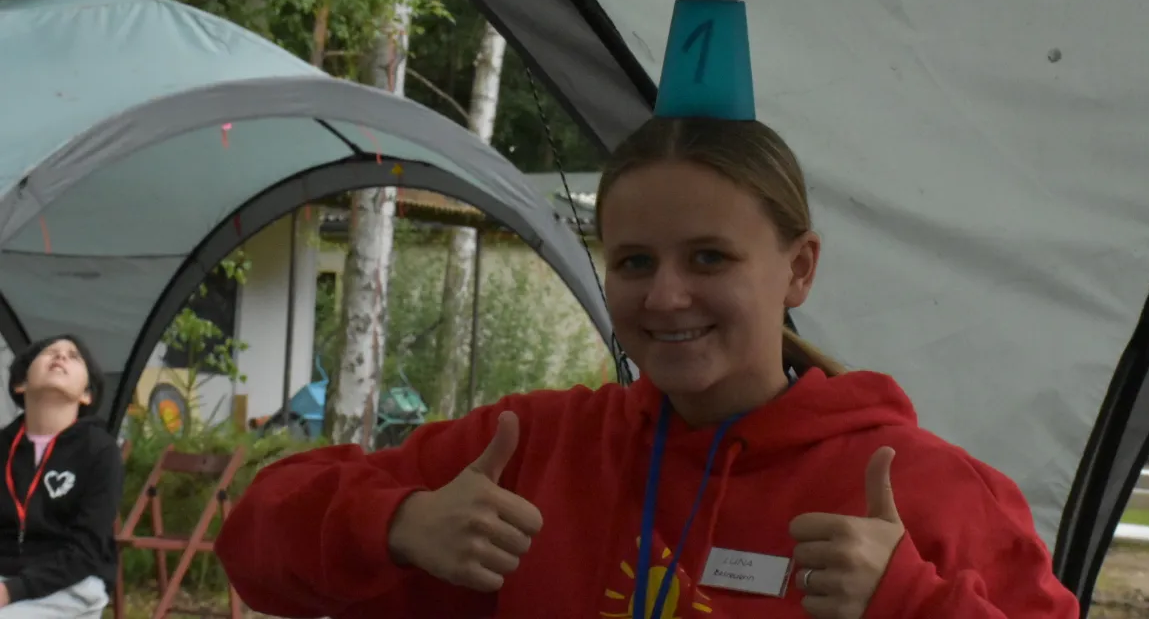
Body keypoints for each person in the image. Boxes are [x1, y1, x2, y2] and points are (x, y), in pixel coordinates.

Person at [215, 117, 1081, 618]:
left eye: (708, 258)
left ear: (800, 269)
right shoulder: (534, 450)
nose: (665, 297)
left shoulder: (920, 490)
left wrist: (909, 602)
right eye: (634, 262)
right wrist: (399, 525)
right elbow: (254, 540)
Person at [0, 335, 122, 618]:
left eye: (74, 356)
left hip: (70, 586)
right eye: (49, 352)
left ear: (86, 395)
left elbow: (87, 549)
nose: (61, 356)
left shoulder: (100, 451)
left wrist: (11, 591)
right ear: (21, 383)